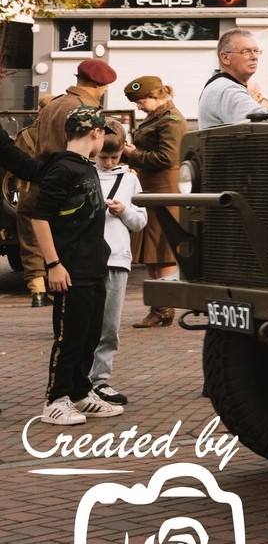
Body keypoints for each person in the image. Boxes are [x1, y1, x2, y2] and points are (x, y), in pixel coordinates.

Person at [21, 106, 124, 425]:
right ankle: (55, 399)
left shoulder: (85, 167)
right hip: (70, 268)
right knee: (70, 337)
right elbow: (39, 217)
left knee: (90, 333)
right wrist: (53, 264)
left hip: (94, 266)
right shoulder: (63, 169)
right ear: (95, 134)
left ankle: (80, 392)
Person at [21, 59, 115, 308]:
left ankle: (37, 288)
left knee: (35, 237)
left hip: (41, 176)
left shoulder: (54, 104)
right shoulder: (83, 109)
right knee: (70, 249)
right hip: (69, 183)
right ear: (97, 84)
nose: (105, 92)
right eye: (104, 87)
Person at [121, 75, 187, 323]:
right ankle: (159, 307)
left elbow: (166, 158)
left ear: (157, 95)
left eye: (142, 100)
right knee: (151, 251)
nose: (139, 105)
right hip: (150, 189)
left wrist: (133, 153)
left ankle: (164, 308)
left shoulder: (172, 120)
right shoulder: (156, 117)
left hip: (165, 188)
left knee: (163, 251)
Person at [91, 129, 146, 407]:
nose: (108, 162)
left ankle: (100, 379)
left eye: (114, 157)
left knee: (109, 324)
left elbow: (140, 222)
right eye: (104, 157)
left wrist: (123, 210)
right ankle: (82, 380)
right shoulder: (84, 173)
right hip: (87, 257)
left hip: (116, 256)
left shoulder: (130, 179)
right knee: (87, 322)